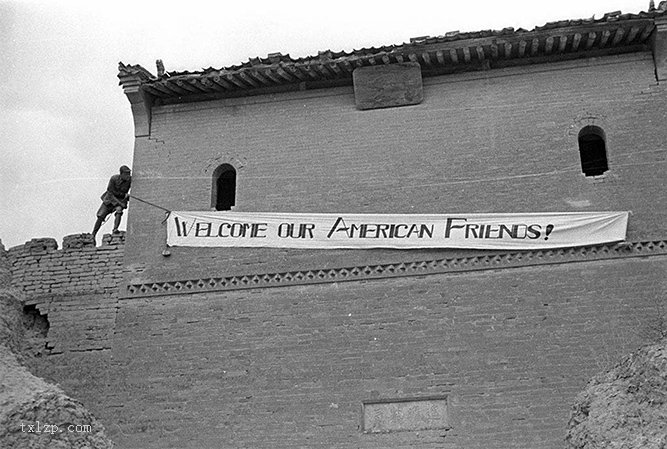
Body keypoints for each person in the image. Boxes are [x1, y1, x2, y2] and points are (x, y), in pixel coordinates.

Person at [92, 165, 132, 238]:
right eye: (126, 174)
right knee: (100, 215)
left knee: (119, 210)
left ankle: (115, 229)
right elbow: (110, 192)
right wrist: (119, 202)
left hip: (121, 199)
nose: (128, 176)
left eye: (129, 174)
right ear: (121, 174)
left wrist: (128, 196)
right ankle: (93, 234)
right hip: (109, 199)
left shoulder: (130, 180)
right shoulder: (114, 179)